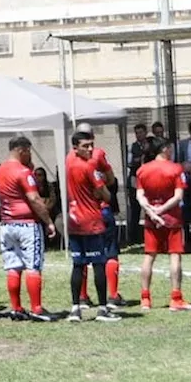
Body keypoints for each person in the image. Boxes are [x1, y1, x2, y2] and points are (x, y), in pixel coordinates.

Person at [0, 137, 56, 321]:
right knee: (33, 266)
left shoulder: (0, 171)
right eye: (29, 151)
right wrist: (48, 221)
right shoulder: (22, 172)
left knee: (13, 267)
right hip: (27, 224)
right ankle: (36, 308)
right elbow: (34, 199)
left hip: (7, 224)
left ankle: (16, 307)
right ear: (22, 150)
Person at [65, 131, 121, 322]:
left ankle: (75, 308)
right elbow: (106, 194)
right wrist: (101, 192)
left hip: (73, 220)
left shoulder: (68, 161)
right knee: (98, 263)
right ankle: (103, 308)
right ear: (75, 147)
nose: (90, 149)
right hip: (91, 220)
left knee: (78, 264)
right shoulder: (89, 167)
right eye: (85, 146)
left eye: (91, 145)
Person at [135, 137, 191, 311]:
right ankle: (176, 298)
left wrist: (152, 212)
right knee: (175, 255)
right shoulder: (176, 168)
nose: (172, 151)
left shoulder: (142, 170)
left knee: (149, 256)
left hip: (151, 219)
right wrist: (162, 210)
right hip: (172, 219)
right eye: (170, 148)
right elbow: (178, 197)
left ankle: (145, 298)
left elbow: (140, 197)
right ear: (164, 149)